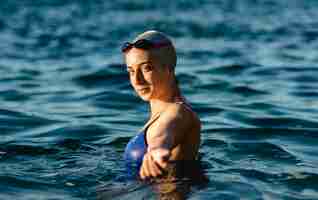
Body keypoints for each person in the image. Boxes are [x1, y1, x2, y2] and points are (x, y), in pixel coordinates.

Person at [122, 30, 201, 181]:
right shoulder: (165, 109)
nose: (137, 80)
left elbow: (165, 132)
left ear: (169, 68)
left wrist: (157, 149)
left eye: (147, 68)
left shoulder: (178, 111)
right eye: (131, 71)